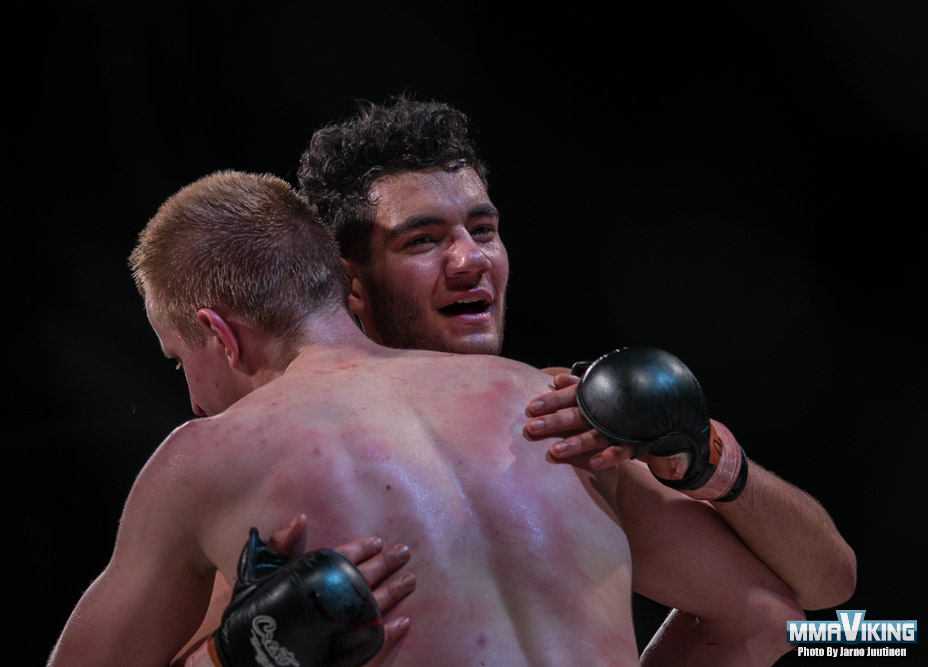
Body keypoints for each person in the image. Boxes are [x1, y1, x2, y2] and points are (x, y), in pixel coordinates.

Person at [47, 170, 802, 666]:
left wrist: (235, 657)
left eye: (178, 361)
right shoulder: (546, 400)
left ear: (218, 333)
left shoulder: (206, 457)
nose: (191, 396)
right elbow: (774, 615)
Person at [295, 95, 857, 655]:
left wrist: (703, 456)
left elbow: (807, 596)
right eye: (423, 240)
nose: (471, 260)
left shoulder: (558, 423)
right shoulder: (293, 451)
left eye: (483, 230)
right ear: (351, 286)